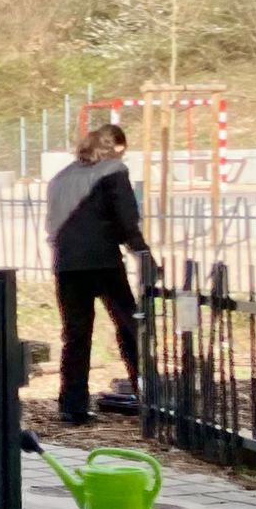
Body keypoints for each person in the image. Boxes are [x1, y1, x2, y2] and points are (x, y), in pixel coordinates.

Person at [47, 123, 150, 426]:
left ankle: (72, 406)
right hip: (103, 259)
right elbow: (126, 220)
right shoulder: (114, 171)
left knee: (76, 335)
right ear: (115, 147)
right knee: (129, 325)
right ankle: (147, 394)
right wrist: (143, 253)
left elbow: (53, 222)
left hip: (67, 263)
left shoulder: (61, 176)